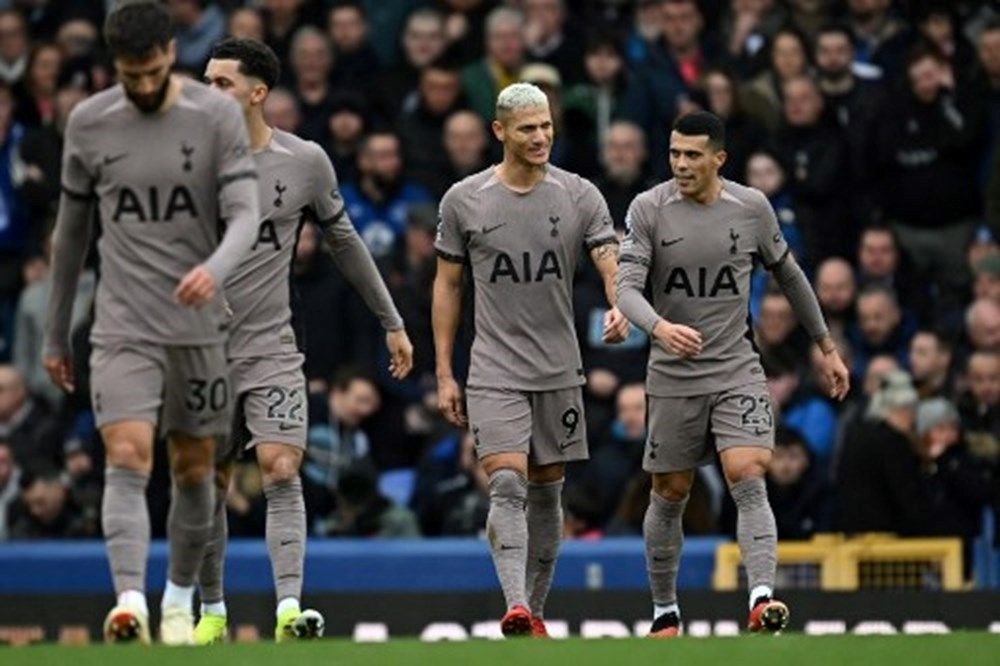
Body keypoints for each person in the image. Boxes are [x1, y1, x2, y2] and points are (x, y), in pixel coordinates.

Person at [41, 2, 261, 645]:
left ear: (172, 54)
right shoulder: (89, 123)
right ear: (116, 66)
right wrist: (57, 331)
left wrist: (215, 269)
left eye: (153, 72)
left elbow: (245, 214)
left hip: (197, 324)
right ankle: (130, 602)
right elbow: (71, 231)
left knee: (195, 470)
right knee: (128, 455)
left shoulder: (216, 114)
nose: (141, 86)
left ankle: (178, 599)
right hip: (122, 321)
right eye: (130, 75)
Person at [199, 38, 413, 644]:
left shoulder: (305, 161)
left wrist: (391, 320)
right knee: (207, 479)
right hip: (200, 350)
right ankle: (212, 613)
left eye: (220, 82)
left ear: (257, 92)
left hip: (270, 345)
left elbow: (344, 241)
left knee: (282, 464)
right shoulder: (187, 157)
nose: (204, 91)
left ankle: (290, 609)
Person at [616, 111, 849, 637]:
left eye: (692, 155)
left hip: (737, 367)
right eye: (674, 153)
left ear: (719, 158)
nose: (680, 164)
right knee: (671, 491)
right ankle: (664, 610)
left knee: (748, 474)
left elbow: (789, 274)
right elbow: (626, 287)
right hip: (672, 373)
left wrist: (825, 346)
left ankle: (762, 599)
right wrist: (658, 327)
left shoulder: (751, 208)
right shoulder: (647, 209)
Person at [433, 82, 628, 637]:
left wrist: (619, 306)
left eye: (546, 125)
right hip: (493, 366)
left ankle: (535, 613)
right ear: (500, 132)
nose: (541, 136)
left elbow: (609, 258)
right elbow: (447, 287)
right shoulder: (464, 200)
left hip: (558, 367)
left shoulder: (579, 195)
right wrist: (446, 372)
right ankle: (514, 604)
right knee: (507, 484)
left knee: (547, 491)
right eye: (528, 128)